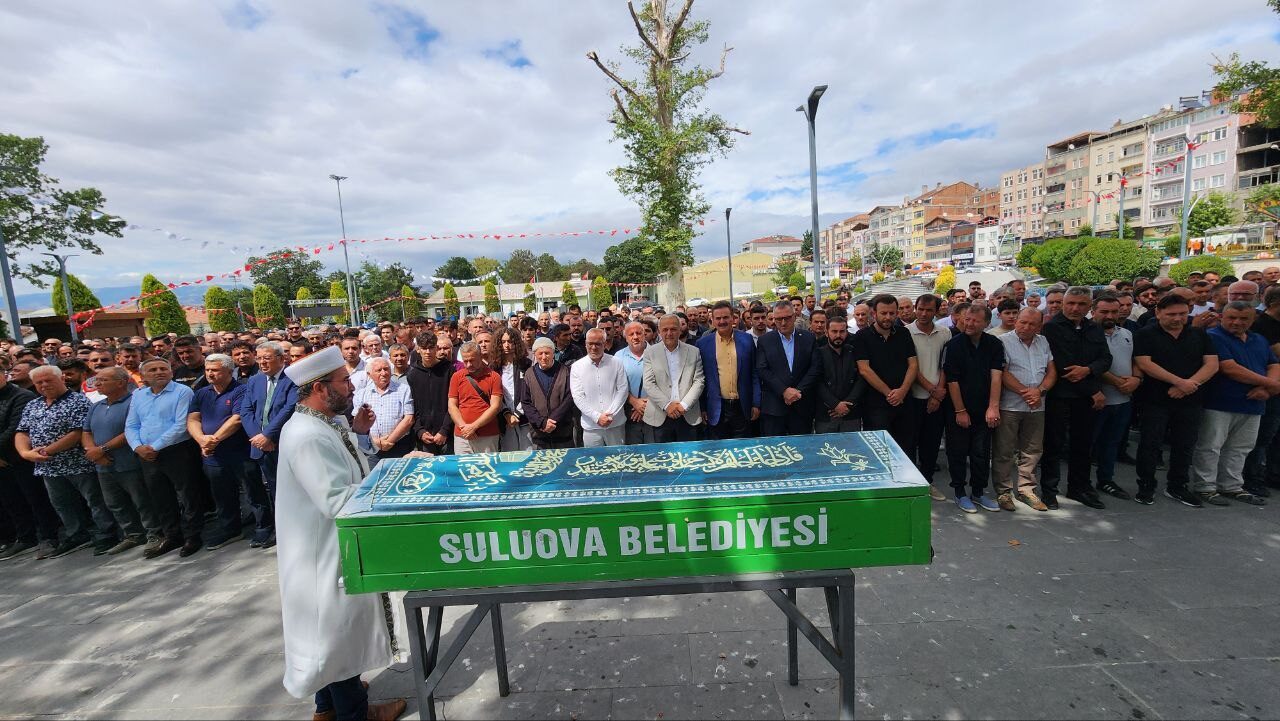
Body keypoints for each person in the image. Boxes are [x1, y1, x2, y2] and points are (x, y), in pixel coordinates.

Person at [275, 346, 407, 721]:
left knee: (326, 635)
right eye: (344, 381)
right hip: (323, 553)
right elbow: (335, 499)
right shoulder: (307, 436)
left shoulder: (317, 424)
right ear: (319, 388)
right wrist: (390, 481)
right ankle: (355, 713)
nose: (351, 387)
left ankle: (328, 707)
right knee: (336, 634)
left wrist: (359, 434)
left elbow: (343, 465)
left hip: (322, 548)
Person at [16, 365, 119, 557]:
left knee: (94, 500)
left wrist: (45, 451)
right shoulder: (33, 404)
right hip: (48, 467)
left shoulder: (77, 401)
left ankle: (107, 533)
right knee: (62, 503)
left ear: (61, 378)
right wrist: (25, 453)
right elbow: (22, 431)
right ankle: (76, 534)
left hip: (78, 462)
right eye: (39, 382)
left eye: (49, 380)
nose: (44, 385)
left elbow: (77, 433)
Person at [1134, 293, 1220, 508]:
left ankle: (1177, 486)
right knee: (1150, 445)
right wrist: (1178, 382)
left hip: (1191, 398)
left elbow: (1211, 364)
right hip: (1155, 399)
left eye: (1182, 313)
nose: (1177, 318)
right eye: (1171, 314)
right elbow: (1144, 363)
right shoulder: (1146, 334)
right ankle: (1146, 485)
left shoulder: (1198, 334)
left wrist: (1190, 384)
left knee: (1185, 445)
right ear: (1158, 312)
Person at [1191, 302, 1278, 506]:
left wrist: (1267, 389)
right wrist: (1271, 385)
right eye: (1231, 318)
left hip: (1254, 403)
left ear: (1252, 319)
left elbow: (1274, 364)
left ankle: (1231, 485)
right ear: (1222, 316)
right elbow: (1230, 368)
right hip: (1220, 401)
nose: (1237, 322)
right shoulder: (1214, 336)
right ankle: (1205, 486)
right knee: (1210, 446)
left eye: (1243, 319)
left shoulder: (1259, 339)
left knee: (1241, 447)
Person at [125, 358, 206, 558]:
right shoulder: (138, 395)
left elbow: (180, 425)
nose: (159, 372)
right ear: (143, 376)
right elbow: (131, 425)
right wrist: (138, 447)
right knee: (160, 497)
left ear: (171, 372)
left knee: (187, 495)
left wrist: (155, 446)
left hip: (177, 450)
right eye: (153, 370)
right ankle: (172, 535)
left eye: (164, 369)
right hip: (147, 455)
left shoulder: (182, 392)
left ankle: (192, 536)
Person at [187, 354, 269, 550]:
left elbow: (237, 419)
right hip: (212, 456)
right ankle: (230, 529)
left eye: (215, 370)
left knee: (253, 492)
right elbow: (192, 419)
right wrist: (201, 440)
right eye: (207, 370)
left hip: (240, 453)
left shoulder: (241, 390)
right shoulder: (202, 393)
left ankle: (264, 527)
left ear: (228, 371)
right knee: (222, 495)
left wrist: (213, 439)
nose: (210, 374)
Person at [1040, 287, 1111, 510]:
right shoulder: (1052, 328)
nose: (1075, 308)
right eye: (1070, 303)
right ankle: (1049, 491)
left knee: (1083, 444)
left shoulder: (1094, 328)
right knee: (1054, 445)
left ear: (1089, 306)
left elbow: (1105, 358)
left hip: (1086, 397)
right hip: (1060, 395)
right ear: (1063, 304)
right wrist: (1092, 389)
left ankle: (1079, 487)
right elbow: (1064, 365)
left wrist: (1089, 369)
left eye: (1081, 304)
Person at [82, 366, 162, 555]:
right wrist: (92, 451)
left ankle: (155, 533)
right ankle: (133, 534)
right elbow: (86, 432)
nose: (97, 384)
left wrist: (102, 449)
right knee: (115, 502)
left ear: (120, 382)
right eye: (96, 380)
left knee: (142, 500)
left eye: (103, 380)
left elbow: (131, 431)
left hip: (129, 463)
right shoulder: (97, 406)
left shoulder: (134, 402)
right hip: (104, 465)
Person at [942, 303, 1004, 513]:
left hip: (984, 408)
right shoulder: (954, 345)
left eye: (974, 320)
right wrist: (960, 411)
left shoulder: (994, 344)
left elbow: (997, 376)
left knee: (981, 453)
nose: (969, 323)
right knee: (957, 452)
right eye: (966, 319)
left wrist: (993, 407)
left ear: (986, 323)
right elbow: (952, 380)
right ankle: (959, 492)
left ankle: (978, 492)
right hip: (958, 408)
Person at [992, 308, 1055, 512]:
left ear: (1039, 325)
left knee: (1033, 449)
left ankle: (1026, 489)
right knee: (1004, 450)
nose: (1026, 327)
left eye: (1032, 324)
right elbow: (1003, 371)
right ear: (1016, 321)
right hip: (1011, 404)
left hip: (1037, 406)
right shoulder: (1003, 341)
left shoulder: (1043, 342)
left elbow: (1051, 370)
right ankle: (1003, 491)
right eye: (1023, 322)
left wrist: (1040, 390)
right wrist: (1026, 392)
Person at [237, 342, 295, 549]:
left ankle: (289, 530)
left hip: (282, 443)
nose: (262, 362)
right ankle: (274, 529)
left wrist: (269, 435)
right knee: (269, 490)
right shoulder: (254, 381)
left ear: (281, 359)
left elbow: (289, 409)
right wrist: (257, 437)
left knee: (285, 490)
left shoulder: (292, 379)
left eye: (267, 358)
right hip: (261, 445)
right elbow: (246, 411)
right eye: (259, 358)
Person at [0, 364, 59, 560]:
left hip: (23, 457)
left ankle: (49, 537)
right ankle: (24, 538)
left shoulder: (22, 396)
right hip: (3, 461)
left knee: (36, 499)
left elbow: (15, 430)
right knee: (12, 502)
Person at [854, 294, 918, 449]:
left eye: (892, 313)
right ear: (874, 314)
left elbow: (913, 365)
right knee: (880, 449)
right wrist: (890, 394)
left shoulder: (904, 333)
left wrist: (902, 391)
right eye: (883, 313)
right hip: (876, 405)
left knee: (906, 449)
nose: (888, 317)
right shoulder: (862, 336)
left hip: (904, 401)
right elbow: (864, 369)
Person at [907, 294, 950, 501]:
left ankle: (927, 482)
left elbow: (946, 365)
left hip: (937, 398)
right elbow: (910, 367)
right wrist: (931, 390)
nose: (924, 314)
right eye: (920, 309)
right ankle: (911, 484)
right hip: (913, 397)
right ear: (915, 309)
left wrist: (937, 393)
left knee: (931, 444)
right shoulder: (906, 333)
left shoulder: (945, 332)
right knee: (910, 442)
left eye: (929, 310)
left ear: (936, 310)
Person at [696, 301, 760, 441]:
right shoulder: (703, 344)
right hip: (716, 408)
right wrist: (703, 408)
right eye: (718, 318)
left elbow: (754, 373)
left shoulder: (747, 339)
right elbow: (701, 379)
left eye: (725, 317)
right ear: (712, 320)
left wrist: (756, 403)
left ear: (733, 318)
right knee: (719, 452)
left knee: (742, 451)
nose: (722, 321)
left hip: (743, 406)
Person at [756, 301, 818, 436]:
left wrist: (798, 391)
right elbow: (762, 369)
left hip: (802, 405)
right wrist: (784, 391)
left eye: (787, 318)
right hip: (774, 407)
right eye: (778, 319)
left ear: (794, 316)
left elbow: (815, 368)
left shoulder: (808, 338)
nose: (783, 323)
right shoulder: (765, 341)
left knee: (802, 449)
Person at [642, 316, 705, 442]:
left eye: (673, 329)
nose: (669, 333)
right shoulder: (650, 353)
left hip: (687, 415)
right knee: (662, 459)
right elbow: (648, 383)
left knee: (688, 457)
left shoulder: (694, 351)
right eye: (665, 330)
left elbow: (699, 381)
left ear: (680, 330)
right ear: (659, 331)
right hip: (660, 415)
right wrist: (667, 405)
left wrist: (684, 405)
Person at [1245, 284, 1280, 497]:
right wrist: (1270, 385)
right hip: (1263, 390)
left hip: (1272, 386)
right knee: (1260, 437)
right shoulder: (1262, 326)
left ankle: (1272, 474)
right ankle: (1252, 477)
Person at [569, 329, 630, 447]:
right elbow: (578, 396)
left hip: (615, 424)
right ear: (585, 344)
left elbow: (622, 390)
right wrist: (597, 417)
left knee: (617, 459)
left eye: (598, 344)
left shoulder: (616, 362)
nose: (593, 347)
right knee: (594, 461)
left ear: (605, 343)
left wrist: (610, 415)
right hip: (591, 426)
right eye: (590, 344)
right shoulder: (577, 367)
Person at [352, 357, 415, 464]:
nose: (383, 373)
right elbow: (357, 421)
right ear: (369, 374)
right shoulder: (361, 394)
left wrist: (389, 441)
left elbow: (409, 419)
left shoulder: (403, 389)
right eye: (379, 370)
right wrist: (375, 442)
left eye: (386, 369)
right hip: (371, 449)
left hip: (398, 446)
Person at [814, 313, 866, 434]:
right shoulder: (818, 353)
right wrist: (835, 404)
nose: (838, 335)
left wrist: (848, 405)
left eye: (842, 331)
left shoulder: (854, 352)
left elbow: (861, 379)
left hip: (851, 414)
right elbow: (817, 382)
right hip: (826, 414)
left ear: (846, 332)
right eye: (834, 331)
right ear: (826, 332)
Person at [448, 341, 503, 454]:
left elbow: (495, 406)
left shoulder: (494, 377)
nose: (468, 365)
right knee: (463, 469)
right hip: (462, 436)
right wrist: (464, 427)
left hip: (487, 434)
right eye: (465, 361)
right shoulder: (457, 376)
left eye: (472, 360)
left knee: (487, 469)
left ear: (480, 356)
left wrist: (473, 427)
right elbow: (452, 405)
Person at [521, 338, 576, 450]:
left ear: (553, 353)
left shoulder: (565, 371)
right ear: (535, 354)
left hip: (563, 432)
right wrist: (542, 422)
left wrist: (553, 420)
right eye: (540, 353)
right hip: (539, 434)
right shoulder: (529, 374)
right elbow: (526, 402)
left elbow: (569, 398)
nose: (544, 357)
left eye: (547, 353)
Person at [406, 333, 454, 455]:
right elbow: (412, 406)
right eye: (424, 348)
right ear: (418, 350)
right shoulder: (413, 374)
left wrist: (444, 430)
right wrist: (419, 431)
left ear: (436, 348)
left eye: (431, 348)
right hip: (424, 436)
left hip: (447, 435)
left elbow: (454, 403)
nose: (427, 352)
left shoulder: (449, 370)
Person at [493, 328, 533, 452]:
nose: (506, 345)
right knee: (510, 457)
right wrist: (507, 414)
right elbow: (494, 395)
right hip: (504, 421)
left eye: (510, 341)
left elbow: (529, 392)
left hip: (524, 419)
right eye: (503, 342)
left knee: (528, 455)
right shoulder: (494, 367)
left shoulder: (526, 364)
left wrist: (517, 413)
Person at [617, 321, 654, 445]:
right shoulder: (618, 357)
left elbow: (665, 382)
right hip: (629, 414)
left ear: (644, 335)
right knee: (634, 455)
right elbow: (616, 385)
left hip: (655, 411)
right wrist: (634, 402)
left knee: (653, 453)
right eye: (631, 334)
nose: (635, 337)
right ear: (625, 337)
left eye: (638, 333)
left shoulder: (657, 353)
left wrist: (645, 405)